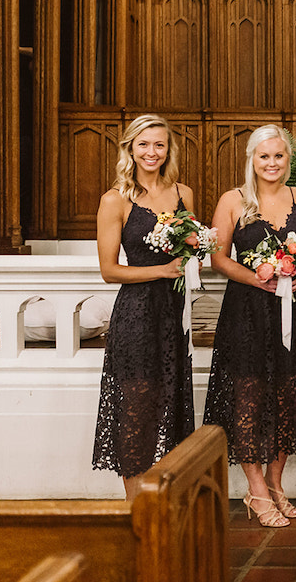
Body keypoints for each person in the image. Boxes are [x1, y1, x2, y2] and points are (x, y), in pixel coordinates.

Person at [203, 125, 296, 527]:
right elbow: (217, 258)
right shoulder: (233, 201)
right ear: (252, 159)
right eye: (264, 156)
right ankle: (255, 492)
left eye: (279, 156)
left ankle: (276, 484)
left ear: (288, 160)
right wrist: (255, 276)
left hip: (293, 308)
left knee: (290, 394)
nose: (272, 164)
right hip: (248, 311)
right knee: (250, 396)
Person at [92, 114, 195, 500]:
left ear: (168, 150)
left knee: (172, 402)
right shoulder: (114, 199)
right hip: (136, 315)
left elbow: (188, 251)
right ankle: (137, 508)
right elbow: (108, 270)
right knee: (136, 408)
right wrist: (162, 270)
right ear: (130, 149)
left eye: (159, 145)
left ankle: (168, 502)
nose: (152, 152)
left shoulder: (183, 193)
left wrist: (193, 256)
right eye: (144, 144)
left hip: (174, 314)